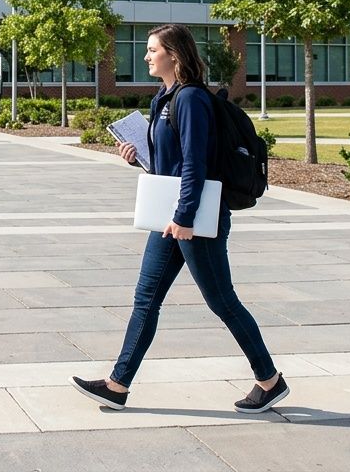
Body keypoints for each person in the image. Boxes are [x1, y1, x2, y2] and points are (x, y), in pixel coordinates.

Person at [70, 23, 288, 414]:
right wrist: (140, 158)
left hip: (192, 221)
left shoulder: (190, 100)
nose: (146, 56)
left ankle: (269, 380)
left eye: (152, 50)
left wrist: (184, 217)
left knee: (222, 302)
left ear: (174, 54)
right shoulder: (164, 97)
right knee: (146, 299)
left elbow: (195, 164)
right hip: (170, 219)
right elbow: (170, 164)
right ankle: (118, 385)